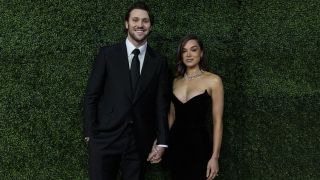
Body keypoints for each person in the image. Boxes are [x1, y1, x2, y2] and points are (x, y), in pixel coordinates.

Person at [83, 1, 170, 180]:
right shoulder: (107, 54)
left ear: (150, 26)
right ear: (127, 23)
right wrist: (90, 135)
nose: (140, 25)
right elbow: (92, 96)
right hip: (105, 139)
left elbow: (161, 105)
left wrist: (162, 142)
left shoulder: (159, 62)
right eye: (135, 20)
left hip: (139, 142)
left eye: (145, 21)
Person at [167, 35, 224, 180]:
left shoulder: (213, 80)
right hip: (175, 146)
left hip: (199, 146)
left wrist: (215, 157)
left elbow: (218, 121)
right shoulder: (174, 82)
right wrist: (160, 141)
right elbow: (171, 116)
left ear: (201, 53)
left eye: (193, 50)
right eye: (184, 51)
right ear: (180, 55)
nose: (188, 54)